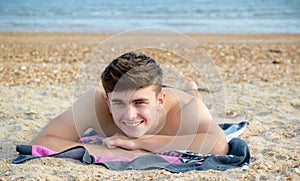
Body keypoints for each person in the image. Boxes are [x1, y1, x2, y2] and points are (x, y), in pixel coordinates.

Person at [30, 52, 229, 159]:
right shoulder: (96, 102)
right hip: (150, 92)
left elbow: (219, 145)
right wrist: (112, 152)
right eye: (118, 103)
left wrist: (139, 143)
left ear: (160, 101)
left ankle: (191, 87)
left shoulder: (186, 109)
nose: (130, 115)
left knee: (196, 98)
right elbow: (43, 142)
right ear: (108, 102)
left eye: (139, 103)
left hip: (180, 98)